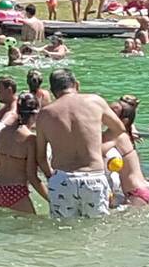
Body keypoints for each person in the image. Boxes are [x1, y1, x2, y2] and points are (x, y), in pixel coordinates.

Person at [36, 68, 132, 219]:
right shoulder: (95, 101)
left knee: (61, 230)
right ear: (77, 85)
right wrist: (99, 146)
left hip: (63, 177)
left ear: (53, 91)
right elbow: (119, 129)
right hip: (93, 177)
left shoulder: (45, 114)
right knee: (97, 230)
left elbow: (40, 156)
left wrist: (51, 176)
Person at [0, 95, 49, 213]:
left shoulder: (0, 134)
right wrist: (51, 199)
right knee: (31, 227)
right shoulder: (30, 140)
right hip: (16, 191)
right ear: (36, 114)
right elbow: (32, 177)